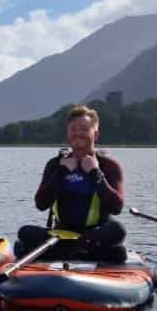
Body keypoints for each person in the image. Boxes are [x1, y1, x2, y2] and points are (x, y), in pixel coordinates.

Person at [16, 104, 127, 264]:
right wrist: (62, 172)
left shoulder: (109, 166)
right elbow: (41, 204)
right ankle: (82, 251)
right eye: (73, 129)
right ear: (68, 134)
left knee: (118, 231)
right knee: (24, 233)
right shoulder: (55, 165)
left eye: (83, 129)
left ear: (95, 134)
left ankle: (65, 251)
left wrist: (95, 174)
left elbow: (117, 208)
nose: (77, 133)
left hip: (94, 234)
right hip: (61, 234)